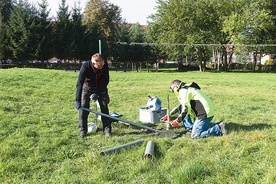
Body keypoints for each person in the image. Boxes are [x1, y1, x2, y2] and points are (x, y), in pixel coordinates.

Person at [163, 79, 227, 138]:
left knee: (195, 135)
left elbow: (186, 109)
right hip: (205, 111)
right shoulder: (186, 89)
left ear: (176, 87)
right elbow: (180, 106)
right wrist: (170, 114)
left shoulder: (183, 91)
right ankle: (191, 128)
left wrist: (177, 121)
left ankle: (218, 128)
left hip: (205, 114)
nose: (173, 92)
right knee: (182, 110)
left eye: (172, 90)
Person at [74, 53, 112, 138]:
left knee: (104, 108)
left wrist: (97, 92)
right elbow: (79, 83)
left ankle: (107, 129)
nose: (101, 67)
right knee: (83, 109)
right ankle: (83, 130)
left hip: (101, 87)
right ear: (93, 63)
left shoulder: (104, 65)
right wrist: (77, 100)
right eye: (99, 66)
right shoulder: (85, 66)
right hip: (87, 87)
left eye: (102, 65)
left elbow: (106, 80)